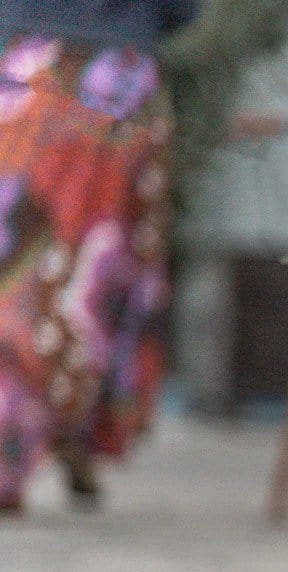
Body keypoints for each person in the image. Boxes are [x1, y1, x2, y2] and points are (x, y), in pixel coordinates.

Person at [0, 0, 196, 514]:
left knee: (26, 264)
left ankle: (31, 441)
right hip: (117, 73)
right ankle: (62, 438)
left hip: (22, 61)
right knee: (98, 274)